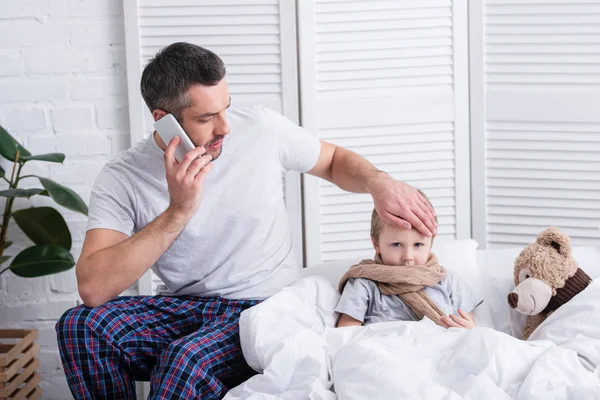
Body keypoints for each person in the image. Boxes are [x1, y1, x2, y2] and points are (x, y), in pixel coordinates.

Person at [55, 42, 438, 400]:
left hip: (263, 309)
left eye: (226, 108)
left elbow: (333, 159)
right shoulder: (123, 176)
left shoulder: (260, 128)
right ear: (163, 120)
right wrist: (178, 211)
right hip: (183, 307)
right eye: (207, 117)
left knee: (184, 362)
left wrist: (377, 182)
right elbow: (93, 287)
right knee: (80, 327)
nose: (225, 128)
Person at [336, 190, 482, 329]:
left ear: (431, 242)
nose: (408, 256)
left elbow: (471, 331)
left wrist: (469, 329)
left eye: (418, 245)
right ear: (376, 244)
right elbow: (346, 333)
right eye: (396, 244)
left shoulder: (447, 280)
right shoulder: (364, 283)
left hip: (440, 347)